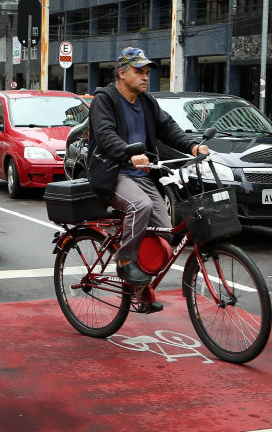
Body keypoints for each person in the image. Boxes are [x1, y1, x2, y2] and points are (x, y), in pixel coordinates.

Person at [87, 47, 209, 285]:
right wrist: (128, 153)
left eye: (146, 72)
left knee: (165, 233)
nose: (145, 77)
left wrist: (193, 146)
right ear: (122, 73)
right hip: (113, 173)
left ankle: (141, 287)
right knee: (140, 206)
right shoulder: (105, 99)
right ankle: (125, 263)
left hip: (141, 175)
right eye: (138, 71)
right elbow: (105, 134)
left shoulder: (146, 101)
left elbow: (168, 128)